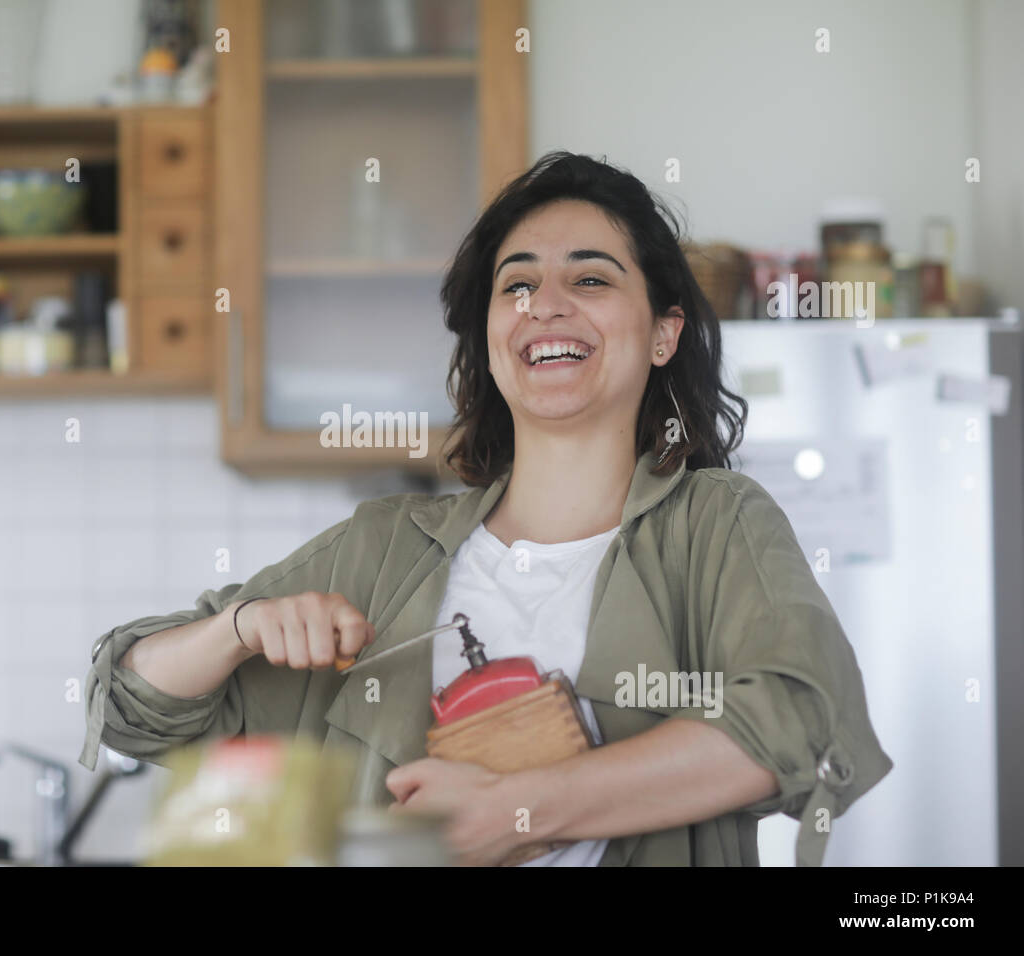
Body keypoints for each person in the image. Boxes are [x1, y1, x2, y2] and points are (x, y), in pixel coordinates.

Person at [80, 151, 892, 866]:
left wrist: (514, 814)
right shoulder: (384, 548)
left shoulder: (715, 526)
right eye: (518, 284)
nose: (545, 304)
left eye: (591, 278)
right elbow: (130, 705)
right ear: (491, 335)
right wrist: (238, 628)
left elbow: (800, 716)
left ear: (662, 333)